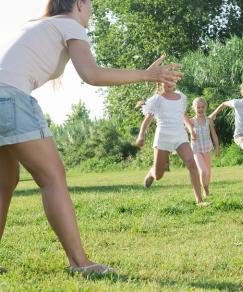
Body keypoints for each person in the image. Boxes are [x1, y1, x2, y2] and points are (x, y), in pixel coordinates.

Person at [0, 0, 182, 275]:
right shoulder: (70, 25)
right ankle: (79, 263)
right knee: (52, 178)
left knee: (4, 182)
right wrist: (148, 74)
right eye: (91, 6)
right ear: (80, 4)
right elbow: (92, 75)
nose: (92, 13)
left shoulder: (41, 25)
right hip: (11, 99)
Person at [135, 83, 208, 207]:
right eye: (166, 80)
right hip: (163, 136)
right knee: (159, 175)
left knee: (192, 163)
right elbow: (148, 118)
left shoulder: (181, 97)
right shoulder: (157, 99)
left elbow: (183, 115)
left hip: (180, 135)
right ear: (161, 82)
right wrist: (141, 135)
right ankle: (152, 173)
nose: (169, 83)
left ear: (174, 82)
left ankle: (199, 200)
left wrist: (190, 129)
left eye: (171, 80)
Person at [189, 97, 220, 197]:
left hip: (207, 149)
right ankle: (205, 190)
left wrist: (217, 147)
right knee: (203, 171)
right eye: (198, 107)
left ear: (206, 108)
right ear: (194, 108)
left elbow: (214, 135)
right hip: (196, 150)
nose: (200, 109)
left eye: (202, 107)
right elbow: (184, 132)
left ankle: (207, 187)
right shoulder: (191, 122)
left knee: (208, 173)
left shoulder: (209, 121)